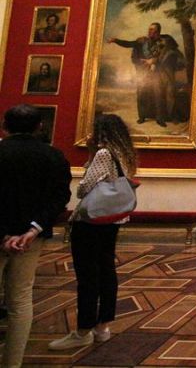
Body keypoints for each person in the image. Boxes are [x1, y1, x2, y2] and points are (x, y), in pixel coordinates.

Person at [49, 114, 137, 350]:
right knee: (107, 270)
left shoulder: (104, 153)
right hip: (113, 218)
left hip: (92, 220)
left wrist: (91, 155)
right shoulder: (125, 153)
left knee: (88, 274)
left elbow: (84, 188)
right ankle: (102, 327)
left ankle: (83, 331)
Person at [0, 105, 71, 367]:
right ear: (39, 126)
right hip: (30, 239)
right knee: (20, 299)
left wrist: (4, 234)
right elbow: (60, 198)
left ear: (4, 127)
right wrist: (33, 229)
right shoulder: (53, 156)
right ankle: (13, 363)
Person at [108, 22, 167, 127]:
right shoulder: (142, 41)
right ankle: (142, 117)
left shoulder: (162, 43)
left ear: (158, 32)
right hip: (143, 72)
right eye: (149, 29)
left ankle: (160, 118)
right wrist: (115, 40)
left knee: (159, 94)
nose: (150, 31)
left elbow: (163, 58)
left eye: (152, 30)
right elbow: (128, 44)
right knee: (141, 94)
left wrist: (153, 61)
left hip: (156, 73)